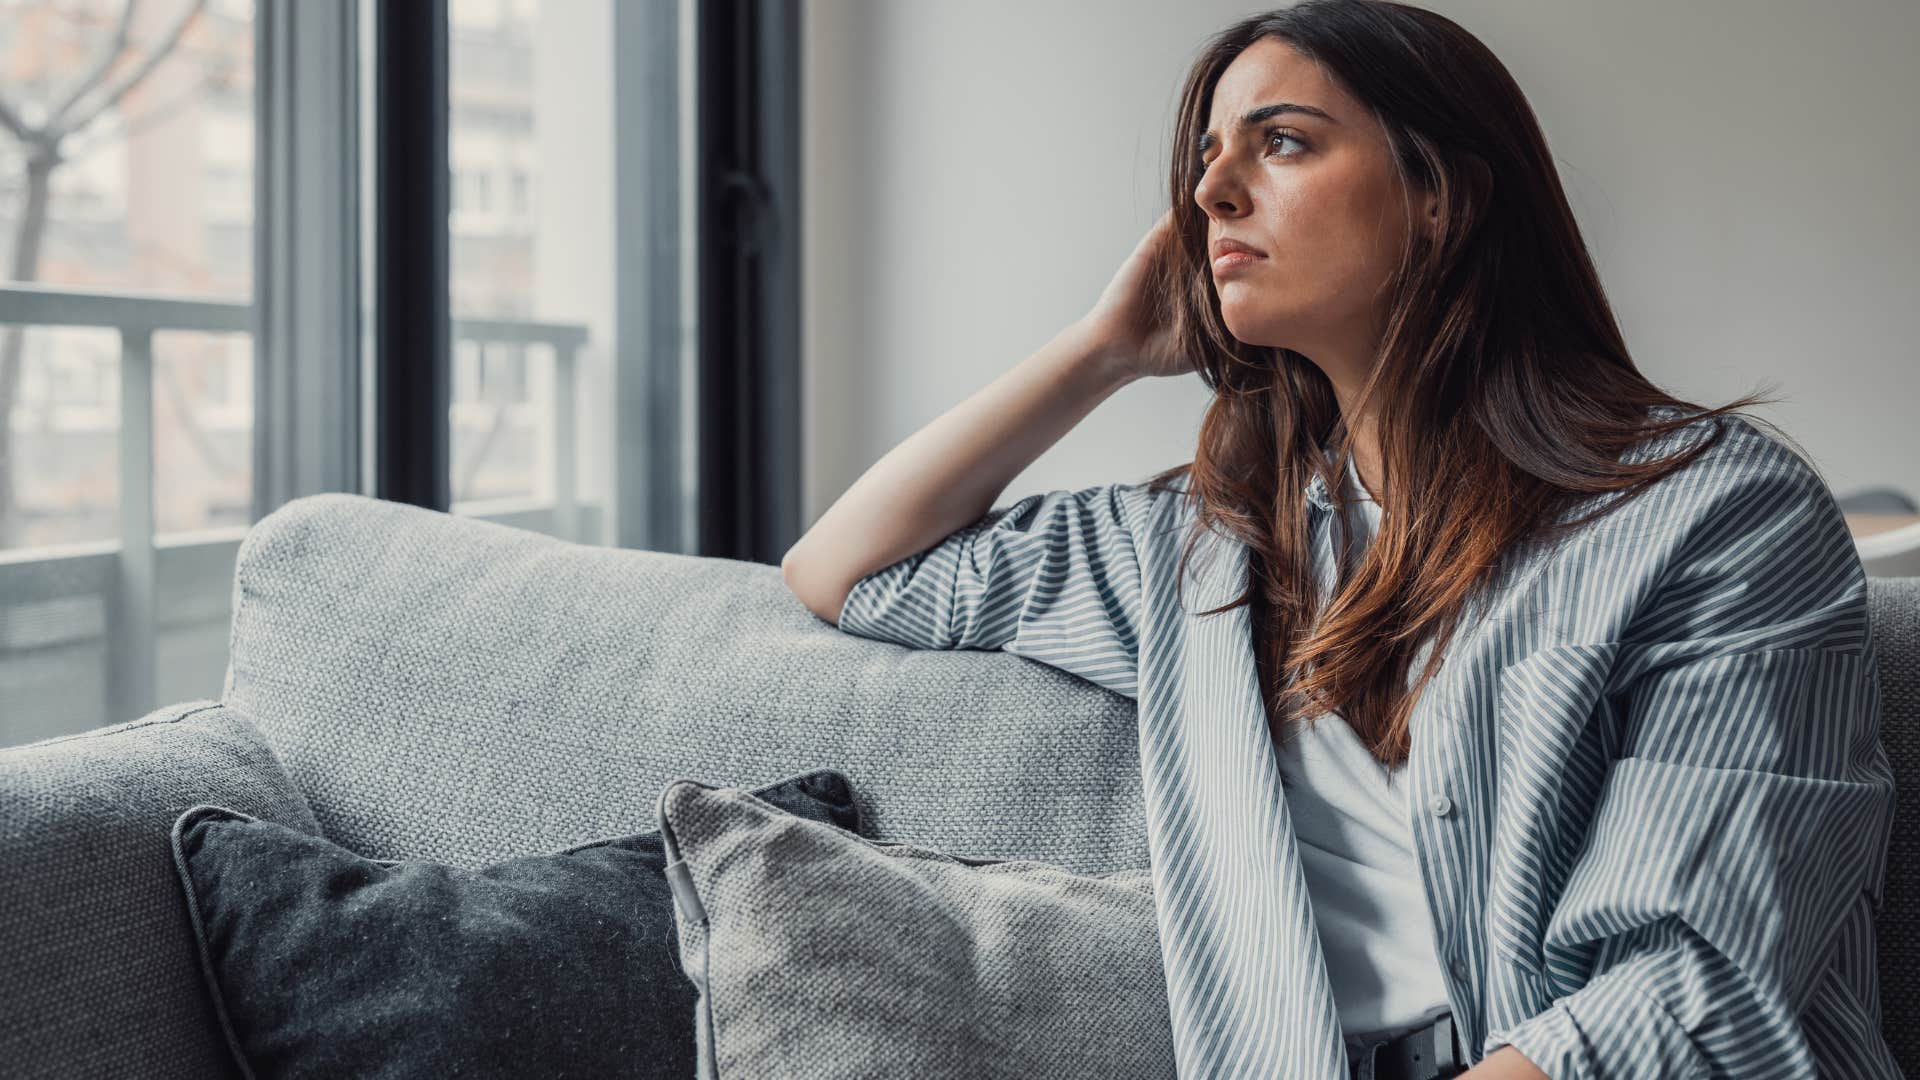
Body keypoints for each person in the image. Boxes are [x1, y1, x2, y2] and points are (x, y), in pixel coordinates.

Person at [782, 2, 1900, 1078]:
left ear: (1439, 197)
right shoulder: (1205, 557)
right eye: (1208, 158)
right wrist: (1100, 351)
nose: (1211, 192)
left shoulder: (1717, 516)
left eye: (1281, 143)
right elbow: (845, 567)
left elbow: (1693, 988)